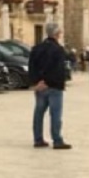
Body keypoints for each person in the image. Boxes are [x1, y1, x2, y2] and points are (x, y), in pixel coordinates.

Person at [28, 22, 71, 150]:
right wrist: (50, 82)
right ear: (57, 34)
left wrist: (37, 82)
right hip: (54, 86)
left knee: (38, 114)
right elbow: (57, 69)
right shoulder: (58, 49)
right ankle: (57, 140)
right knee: (55, 114)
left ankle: (38, 139)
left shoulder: (36, 48)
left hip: (40, 86)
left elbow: (32, 67)